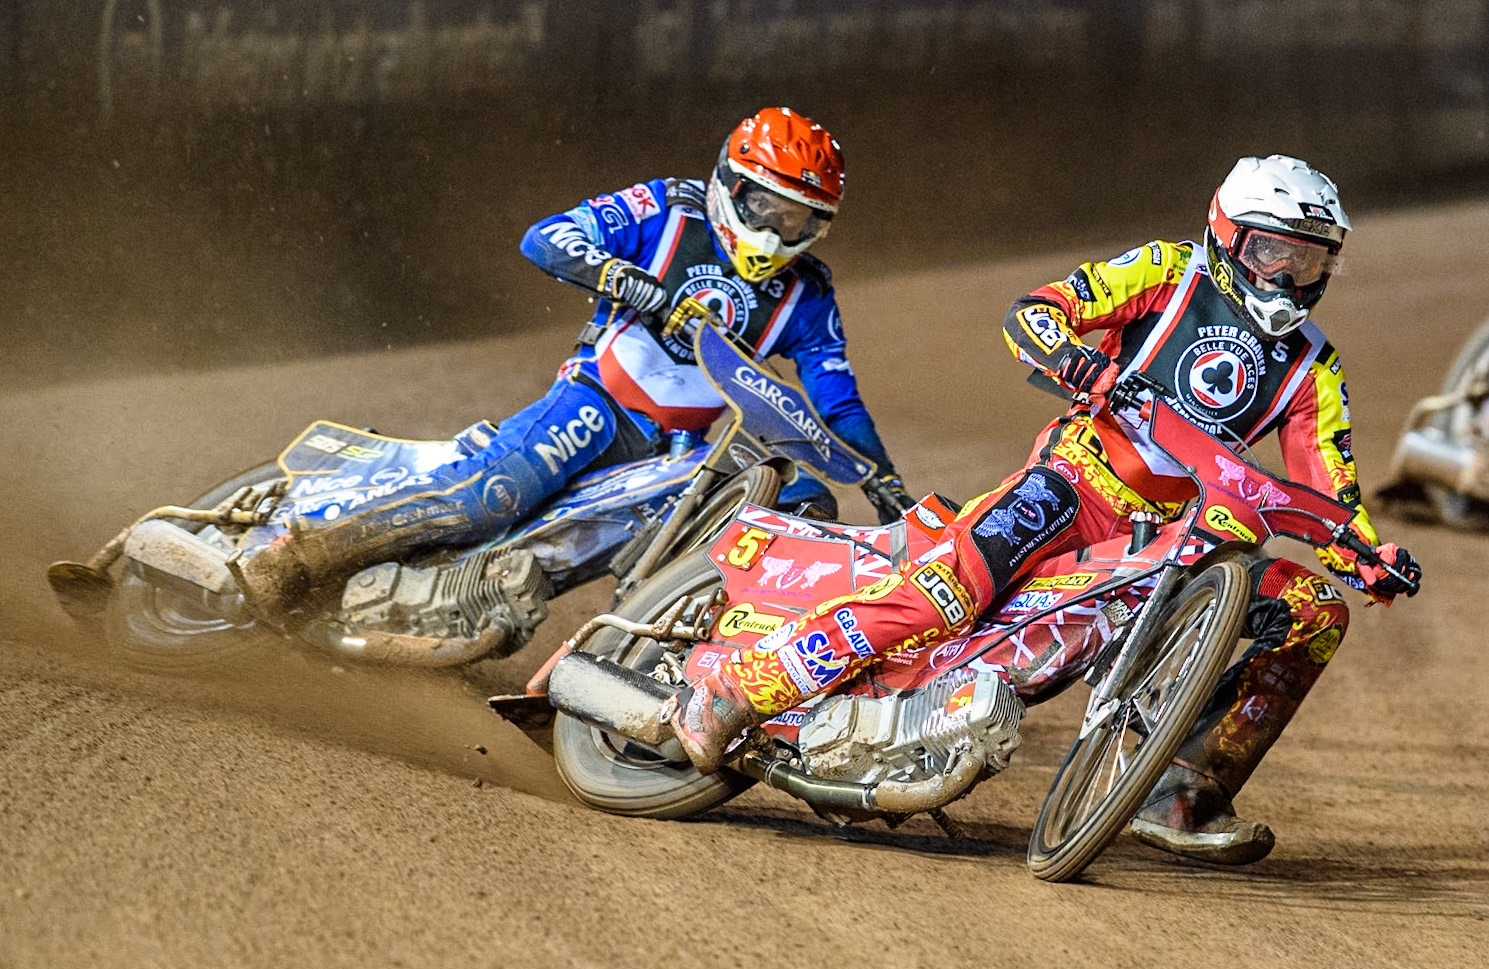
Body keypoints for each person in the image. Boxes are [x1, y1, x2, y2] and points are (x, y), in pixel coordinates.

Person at [668, 154, 1422, 866]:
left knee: (1315, 611)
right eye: (1272, 254)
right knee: (947, 593)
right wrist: (1074, 358)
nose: (1290, 278)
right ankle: (741, 689)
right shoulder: (1167, 271)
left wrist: (1370, 557)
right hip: (1069, 481)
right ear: (1227, 236)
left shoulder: (1313, 367)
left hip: (1179, 537)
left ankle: (1178, 789)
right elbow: (1037, 313)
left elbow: (1332, 496)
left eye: (1312, 261)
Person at [231, 107, 912, 613]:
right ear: (731, 186)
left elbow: (836, 401)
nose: (774, 231)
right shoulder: (669, 210)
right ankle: (301, 555)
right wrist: (637, 284)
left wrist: (883, 487)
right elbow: (546, 237)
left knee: (788, 510)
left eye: (797, 221)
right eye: (765, 207)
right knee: (493, 497)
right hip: (596, 403)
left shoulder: (807, 294)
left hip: (679, 451)